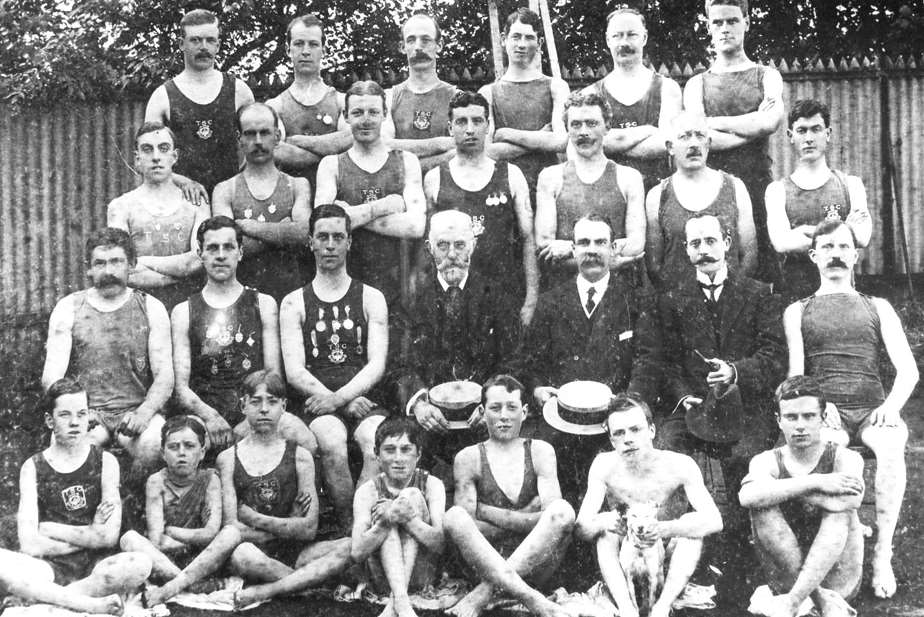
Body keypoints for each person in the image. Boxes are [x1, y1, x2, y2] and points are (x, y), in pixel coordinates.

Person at [784, 220, 919, 599]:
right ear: (814, 256)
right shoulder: (798, 310)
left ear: (855, 255)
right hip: (829, 412)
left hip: (873, 407)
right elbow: (797, 375)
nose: (836, 255)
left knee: (891, 445)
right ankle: (847, 538)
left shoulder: (878, 306)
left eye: (843, 247)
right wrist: (816, 405)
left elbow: (908, 370)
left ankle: (882, 553)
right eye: (827, 248)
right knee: (833, 451)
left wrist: (891, 407)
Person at [515, 214, 659, 503]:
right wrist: (538, 389)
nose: (592, 250)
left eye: (600, 242)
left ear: (614, 249)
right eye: (584, 243)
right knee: (553, 490)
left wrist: (629, 403)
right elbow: (529, 361)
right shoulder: (551, 301)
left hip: (615, 418)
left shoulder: (637, 300)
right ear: (573, 249)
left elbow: (649, 359)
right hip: (562, 422)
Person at [654, 213, 785, 528]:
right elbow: (667, 361)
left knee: (745, 455)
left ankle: (739, 545)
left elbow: (774, 355)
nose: (704, 250)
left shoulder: (759, 293)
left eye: (711, 241)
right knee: (668, 452)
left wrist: (735, 372)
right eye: (695, 243)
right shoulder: (671, 299)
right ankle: (680, 538)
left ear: (727, 244)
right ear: (686, 250)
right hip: (694, 404)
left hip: (747, 403)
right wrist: (683, 395)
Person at [280, 203, 390, 526]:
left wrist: (342, 398)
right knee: (331, 442)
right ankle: (345, 525)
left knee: (374, 442)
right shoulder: (294, 301)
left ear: (349, 242)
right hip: (316, 402)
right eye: (322, 237)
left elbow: (376, 364)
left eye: (337, 237)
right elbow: (294, 371)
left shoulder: (371, 297)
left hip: (364, 399)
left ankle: (364, 524)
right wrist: (336, 401)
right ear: (310, 242)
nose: (330, 245)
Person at [171, 216, 313, 453]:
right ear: (200, 253)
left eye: (228, 247)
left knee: (305, 438)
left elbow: (273, 374)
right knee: (185, 442)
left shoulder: (263, 303)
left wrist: (250, 419)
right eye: (212, 248)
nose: (220, 255)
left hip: (256, 406)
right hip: (205, 413)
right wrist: (211, 417)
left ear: (241, 252)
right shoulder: (183, 311)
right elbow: (181, 388)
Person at [396, 210, 519, 483]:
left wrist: (492, 401)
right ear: (429, 249)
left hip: (483, 415)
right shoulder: (411, 301)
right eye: (443, 245)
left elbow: (512, 359)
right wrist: (418, 404)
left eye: (460, 245)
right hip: (430, 418)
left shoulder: (497, 296)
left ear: (472, 246)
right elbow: (400, 365)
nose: (452, 254)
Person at [575, 394, 723, 617]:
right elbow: (580, 528)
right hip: (627, 559)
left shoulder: (679, 465)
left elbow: (715, 521)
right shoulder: (604, 465)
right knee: (604, 529)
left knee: (692, 524)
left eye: (636, 430)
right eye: (619, 433)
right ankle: (627, 608)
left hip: (671, 556)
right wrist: (603, 521)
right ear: (612, 441)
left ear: (652, 431)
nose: (628, 439)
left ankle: (663, 606)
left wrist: (665, 529)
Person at [217, 370, 351, 607]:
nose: (264, 409)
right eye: (256, 402)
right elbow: (232, 528)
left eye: (272, 402)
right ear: (243, 406)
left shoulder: (300, 457)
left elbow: (308, 530)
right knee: (242, 554)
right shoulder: (228, 459)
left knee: (351, 545)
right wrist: (289, 524)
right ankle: (310, 584)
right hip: (254, 553)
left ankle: (273, 588)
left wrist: (254, 518)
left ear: (284, 406)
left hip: (296, 552)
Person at [42, 228, 172, 473]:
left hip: (136, 410)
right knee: (66, 445)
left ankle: (136, 505)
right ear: (88, 268)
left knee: (155, 443)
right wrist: (76, 412)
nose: (109, 271)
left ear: (131, 264)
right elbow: (52, 377)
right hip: (88, 413)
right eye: (100, 263)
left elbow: (165, 377)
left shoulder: (151, 307)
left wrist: (144, 413)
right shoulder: (69, 307)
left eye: (116, 262)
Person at [444, 375, 575, 617]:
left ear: (524, 412)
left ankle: (483, 594)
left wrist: (487, 512)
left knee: (563, 510)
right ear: (483, 412)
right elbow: (469, 527)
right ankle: (531, 599)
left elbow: (555, 519)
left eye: (512, 407)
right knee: (454, 516)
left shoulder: (540, 451)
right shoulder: (468, 457)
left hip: (535, 566)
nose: (504, 415)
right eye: (495, 408)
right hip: (483, 564)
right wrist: (525, 518)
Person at [15, 378, 152, 609]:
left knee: (140, 563)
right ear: (50, 420)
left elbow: (108, 537)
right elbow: (29, 544)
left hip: (96, 568)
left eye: (81, 414)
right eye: (65, 415)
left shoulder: (105, 461)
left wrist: (50, 529)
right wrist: (91, 535)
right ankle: (83, 603)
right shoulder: (33, 466)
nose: (75, 422)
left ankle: (52, 599)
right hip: (49, 567)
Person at [739, 376, 864, 617]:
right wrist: (817, 482)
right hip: (785, 575)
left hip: (837, 577)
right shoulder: (766, 460)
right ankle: (810, 599)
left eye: (809, 416)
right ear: (779, 421)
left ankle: (795, 601)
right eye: (791, 417)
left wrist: (782, 490)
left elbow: (851, 501)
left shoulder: (845, 458)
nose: (800, 426)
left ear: (823, 419)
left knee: (839, 512)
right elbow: (748, 497)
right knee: (762, 507)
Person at [683, 0, 785, 285]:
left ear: (747, 23)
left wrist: (714, 123)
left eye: (732, 21)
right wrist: (750, 123)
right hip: (710, 186)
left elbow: (769, 123)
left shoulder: (767, 76)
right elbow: (698, 140)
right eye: (717, 23)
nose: (725, 29)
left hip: (756, 183)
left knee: (760, 268)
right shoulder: (697, 84)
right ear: (708, 27)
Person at [423, 90, 538, 324]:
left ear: (487, 126)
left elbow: (528, 240)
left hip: (504, 297)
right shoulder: (435, 179)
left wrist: (531, 298)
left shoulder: (511, 175)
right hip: (453, 299)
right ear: (450, 127)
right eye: (461, 121)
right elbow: (426, 248)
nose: (469, 129)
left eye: (477, 121)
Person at [314, 80, 426, 308]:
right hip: (346, 286)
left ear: (385, 114)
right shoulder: (332, 165)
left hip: (399, 284)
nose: (365, 120)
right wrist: (382, 206)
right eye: (357, 112)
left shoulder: (406, 161)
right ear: (346, 116)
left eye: (373, 112)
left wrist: (349, 215)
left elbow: (416, 226)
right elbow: (324, 226)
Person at [119, 416, 243, 605]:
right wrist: (195, 537)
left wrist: (172, 531)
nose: (181, 453)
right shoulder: (156, 481)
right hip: (167, 563)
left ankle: (173, 587)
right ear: (163, 453)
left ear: (202, 452)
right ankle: (191, 584)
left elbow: (211, 533)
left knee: (232, 533)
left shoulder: (211, 480)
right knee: (129, 539)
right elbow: (157, 541)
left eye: (189, 446)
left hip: (203, 560)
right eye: (174, 447)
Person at [535, 91, 646, 290]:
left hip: (617, 288)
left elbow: (636, 243)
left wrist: (570, 248)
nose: (583, 132)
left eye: (592, 123)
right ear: (567, 129)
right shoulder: (551, 178)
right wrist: (607, 258)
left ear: (607, 127)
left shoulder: (628, 177)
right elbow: (545, 245)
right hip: (565, 289)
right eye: (576, 124)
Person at [765, 99, 872, 303]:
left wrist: (805, 232)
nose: (809, 138)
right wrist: (843, 232)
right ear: (790, 136)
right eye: (802, 131)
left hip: (843, 296)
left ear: (828, 134)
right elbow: (781, 242)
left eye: (816, 129)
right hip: (796, 299)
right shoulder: (777, 190)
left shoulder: (851, 184)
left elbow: (863, 236)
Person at [145, 8, 255, 197]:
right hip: (179, 200)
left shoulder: (239, 90)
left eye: (210, 40)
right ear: (181, 44)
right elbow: (147, 158)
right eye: (195, 40)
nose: (203, 47)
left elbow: (258, 144)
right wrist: (184, 182)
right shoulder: (162, 96)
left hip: (230, 201)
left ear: (218, 45)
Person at [212, 102, 313, 303]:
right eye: (250, 134)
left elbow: (305, 235)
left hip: (291, 296)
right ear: (239, 138)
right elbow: (226, 247)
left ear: (277, 136)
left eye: (265, 133)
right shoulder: (225, 190)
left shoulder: (297, 185)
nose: (258, 141)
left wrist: (250, 228)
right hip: (242, 298)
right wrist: (283, 231)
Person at [645, 111, 756, 289]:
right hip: (677, 305)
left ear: (709, 143)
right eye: (685, 137)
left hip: (730, 302)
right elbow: (654, 265)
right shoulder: (657, 195)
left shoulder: (735, 187)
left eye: (700, 136)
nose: (694, 144)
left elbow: (749, 256)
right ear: (670, 147)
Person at [108, 122, 209, 313]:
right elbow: (122, 269)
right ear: (137, 159)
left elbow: (199, 261)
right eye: (147, 150)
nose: (156, 157)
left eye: (163, 149)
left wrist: (143, 262)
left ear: (175, 156)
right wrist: (182, 275)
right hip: (140, 309)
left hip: (189, 309)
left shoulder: (196, 203)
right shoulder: (121, 207)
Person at [351, 417, 446, 617]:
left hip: (423, 575)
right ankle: (402, 604)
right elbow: (357, 552)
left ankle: (397, 603)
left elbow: (440, 544)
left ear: (418, 454)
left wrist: (408, 518)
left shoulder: (432, 484)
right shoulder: (367, 491)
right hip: (382, 579)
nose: (398, 458)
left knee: (410, 495)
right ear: (376, 455)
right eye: (389, 449)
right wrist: (385, 521)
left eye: (406, 449)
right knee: (390, 515)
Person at [582, 7, 681, 192]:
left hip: (656, 191)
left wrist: (611, 143)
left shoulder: (667, 88)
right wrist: (648, 130)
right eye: (618, 35)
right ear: (607, 40)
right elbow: (586, 143)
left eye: (631, 35)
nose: (624, 42)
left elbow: (666, 144)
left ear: (644, 38)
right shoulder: (591, 94)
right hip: (607, 191)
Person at [480, 8, 571, 201]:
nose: (521, 44)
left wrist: (507, 134)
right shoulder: (489, 93)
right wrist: (540, 139)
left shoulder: (556, 87)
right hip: (505, 189)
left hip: (548, 189)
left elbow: (562, 142)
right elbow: (486, 151)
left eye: (529, 37)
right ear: (504, 39)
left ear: (539, 43)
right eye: (516, 37)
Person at [267, 14, 352, 192]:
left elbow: (351, 140)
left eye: (313, 44)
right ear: (288, 49)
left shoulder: (341, 101)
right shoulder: (275, 106)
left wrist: (296, 140)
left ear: (324, 50)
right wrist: (332, 149)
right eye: (299, 44)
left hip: (337, 195)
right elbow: (278, 151)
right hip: (292, 197)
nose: (306, 51)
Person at [383, 11, 458, 174]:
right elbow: (383, 147)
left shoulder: (457, 97)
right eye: (411, 40)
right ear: (402, 47)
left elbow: (465, 150)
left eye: (426, 39)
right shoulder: (389, 98)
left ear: (439, 44)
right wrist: (441, 145)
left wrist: (405, 155)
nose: (418, 47)